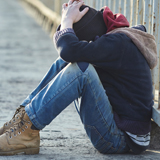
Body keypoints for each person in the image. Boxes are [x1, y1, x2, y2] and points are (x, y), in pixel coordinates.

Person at [0, 0, 157, 155]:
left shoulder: (118, 43)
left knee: (81, 70)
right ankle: (22, 122)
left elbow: (69, 50)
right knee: (66, 62)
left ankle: (29, 129)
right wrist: (67, 21)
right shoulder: (114, 37)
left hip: (121, 139)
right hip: (115, 125)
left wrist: (67, 20)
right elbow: (69, 53)